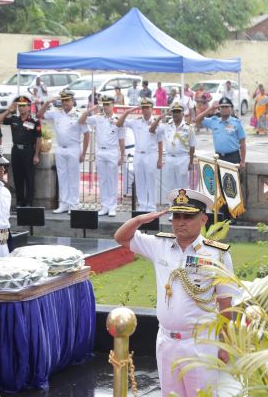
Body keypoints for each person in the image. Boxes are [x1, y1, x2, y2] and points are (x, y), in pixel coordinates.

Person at [114, 188, 238, 396]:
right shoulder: (160, 245)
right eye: (177, 216)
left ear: (203, 219)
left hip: (200, 343)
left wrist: (224, 343)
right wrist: (140, 220)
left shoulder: (217, 254)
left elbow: (226, 303)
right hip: (166, 341)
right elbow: (121, 237)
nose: (180, 222)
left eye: (188, 217)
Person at [38, 90, 90, 214]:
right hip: (60, 148)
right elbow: (39, 115)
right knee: (62, 177)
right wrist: (47, 102)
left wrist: (83, 153)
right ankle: (64, 204)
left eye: (67, 100)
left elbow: (87, 134)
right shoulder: (57, 113)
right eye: (63, 100)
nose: (65, 103)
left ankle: (74, 204)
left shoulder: (78, 115)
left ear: (72, 101)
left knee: (73, 177)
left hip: (73, 148)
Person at [79, 96, 125, 216]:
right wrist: (89, 110)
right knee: (102, 180)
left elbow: (121, 140)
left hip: (112, 151)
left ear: (113, 105)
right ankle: (105, 206)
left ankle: (112, 207)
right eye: (104, 104)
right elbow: (81, 120)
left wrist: (122, 156)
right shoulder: (98, 117)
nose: (105, 107)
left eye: (108, 104)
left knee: (112, 180)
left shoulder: (118, 120)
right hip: (100, 151)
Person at [116, 98, 164, 211]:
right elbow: (119, 124)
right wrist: (127, 112)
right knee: (140, 181)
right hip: (138, 154)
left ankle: (151, 206)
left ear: (152, 108)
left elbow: (160, 142)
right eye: (143, 108)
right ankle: (142, 205)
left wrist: (160, 159)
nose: (145, 110)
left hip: (151, 154)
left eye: (147, 107)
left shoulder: (157, 123)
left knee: (151, 181)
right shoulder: (136, 121)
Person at [0, 96, 42, 207]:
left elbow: (38, 139)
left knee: (29, 178)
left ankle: (29, 203)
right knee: (18, 178)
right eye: (19, 106)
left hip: (28, 150)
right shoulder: (14, 119)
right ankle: (20, 202)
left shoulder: (34, 121)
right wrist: (8, 111)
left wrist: (36, 155)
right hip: (16, 150)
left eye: (23, 106)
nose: (21, 108)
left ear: (29, 107)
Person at [151, 102, 196, 194]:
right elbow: (151, 130)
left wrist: (191, 162)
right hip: (169, 158)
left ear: (183, 113)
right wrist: (159, 118)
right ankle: (171, 203)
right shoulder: (166, 126)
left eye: (178, 112)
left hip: (183, 158)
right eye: (174, 112)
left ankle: (182, 203)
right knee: (170, 186)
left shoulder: (189, 128)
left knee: (182, 186)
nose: (176, 114)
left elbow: (192, 146)